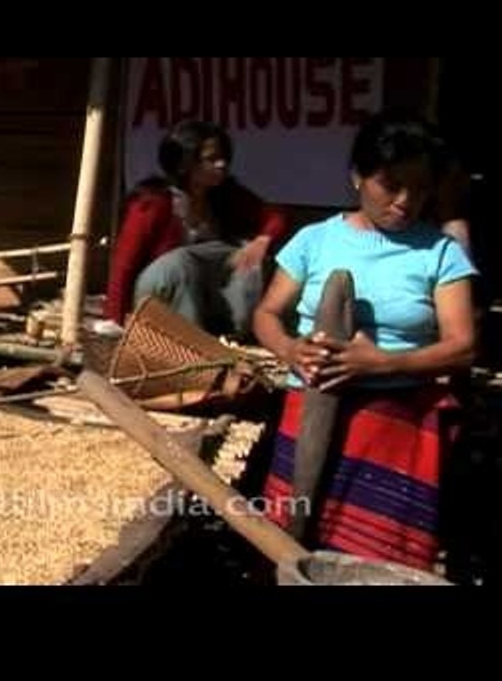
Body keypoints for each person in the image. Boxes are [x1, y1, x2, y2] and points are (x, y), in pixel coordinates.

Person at [253, 109, 477, 571]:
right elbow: (267, 314)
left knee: (375, 562)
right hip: (310, 413)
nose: (405, 200)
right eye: (391, 184)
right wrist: (291, 349)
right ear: (357, 176)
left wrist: (380, 364)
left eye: (419, 188)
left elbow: (462, 346)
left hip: (393, 425)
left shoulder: (441, 252)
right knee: (292, 543)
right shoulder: (314, 240)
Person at [104, 121, 288, 338]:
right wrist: (115, 321)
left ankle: (235, 333)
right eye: (211, 159)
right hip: (158, 292)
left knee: (244, 253)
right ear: (185, 163)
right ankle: (190, 342)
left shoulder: (226, 195)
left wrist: (262, 240)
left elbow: (275, 218)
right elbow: (124, 264)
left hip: (204, 293)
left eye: (223, 158)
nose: (221, 165)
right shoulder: (153, 203)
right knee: (182, 261)